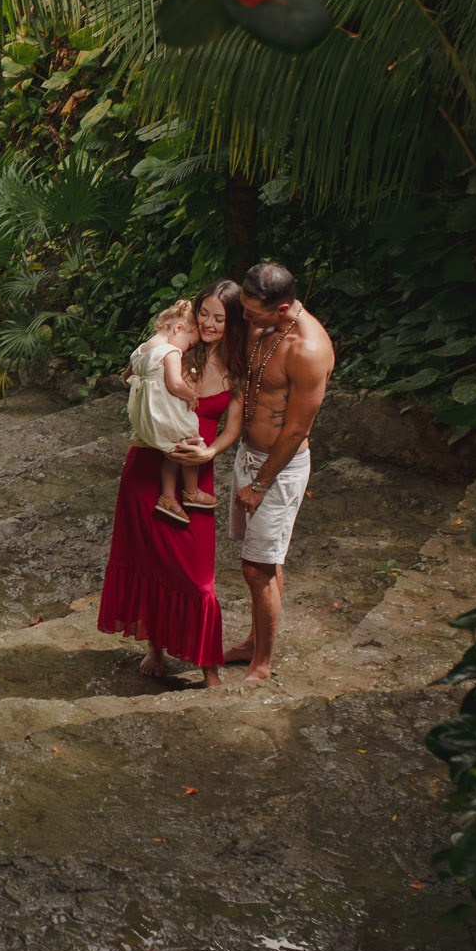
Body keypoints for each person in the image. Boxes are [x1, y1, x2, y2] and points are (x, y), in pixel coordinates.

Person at [98, 281, 247, 688]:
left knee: (197, 575)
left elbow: (233, 426)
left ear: (233, 320)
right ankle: (155, 647)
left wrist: (209, 453)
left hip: (194, 474)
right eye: (204, 314)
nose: (210, 323)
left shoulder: (238, 365)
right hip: (147, 465)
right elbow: (133, 371)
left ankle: (208, 665)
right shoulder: (178, 348)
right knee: (149, 560)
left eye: (220, 317)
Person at [224, 261, 334, 682]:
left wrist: (261, 484)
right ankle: (254, 643)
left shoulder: (308, 349)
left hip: (278, 470)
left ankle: (262, 665)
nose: (246, 317)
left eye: (253, 313)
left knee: (256, 568)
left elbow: (297, 428)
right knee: (267, 562)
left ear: (284, 308)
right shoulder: (265, 325)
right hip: (249, 456)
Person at [127, 299, 220, 524]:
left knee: (172, 453)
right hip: (165, 414)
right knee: (190, 444)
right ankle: (191, 491)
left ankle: (168, 498)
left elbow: (127, 377)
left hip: (145, 418)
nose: (187, 348)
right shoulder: (170, 351)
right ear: (178, 329)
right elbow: (175, 384)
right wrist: (192, 396)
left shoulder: (140, 350)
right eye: (189, 343)